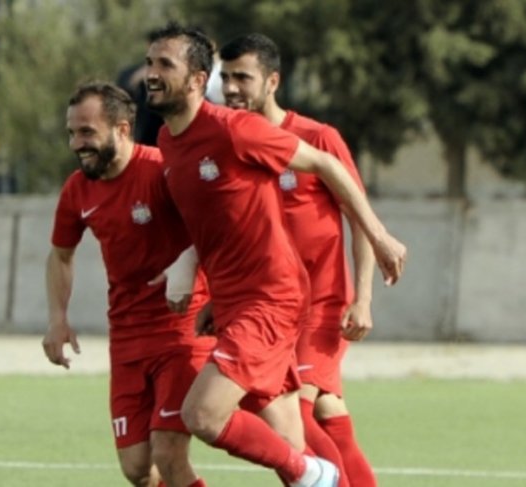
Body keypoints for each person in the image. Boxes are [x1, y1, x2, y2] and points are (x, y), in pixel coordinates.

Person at [144, 22, 407, 487]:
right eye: (149, 63)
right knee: (297, 429)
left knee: (202, 415)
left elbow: (326, 165)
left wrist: (379, 239)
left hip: (277, 301)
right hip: (241, 302)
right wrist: (207, 284)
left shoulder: (237, 130)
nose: (151, 73)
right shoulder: (169, 142)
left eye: (164, 64)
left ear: (197, 79)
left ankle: (312, 473)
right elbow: (224, 224)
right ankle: (316, 474)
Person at [219, 33, 377, 487]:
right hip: (268, 309)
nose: (231, 88)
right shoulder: (234, 145)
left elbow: (360, 217)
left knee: (295, 417)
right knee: (325, 413)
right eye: (225, 78)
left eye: (242, 77)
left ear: (273, 81)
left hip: (321, 306)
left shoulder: (316, 138)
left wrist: (362, 298)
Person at [42, 81, 214, 487]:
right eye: (72, 133)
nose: (76, 143)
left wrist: (196, 275)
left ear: (122, 129)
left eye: (87, 132)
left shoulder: (162, 171)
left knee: (168, 453)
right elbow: (60, 255)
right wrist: (57, 318)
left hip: (182, 331)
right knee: (137, 468)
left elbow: (216, 229)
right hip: (126, 338)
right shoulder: (77, 190)